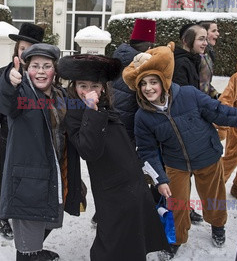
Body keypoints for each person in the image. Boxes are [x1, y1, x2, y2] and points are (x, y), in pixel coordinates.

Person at [122, 43, 237, 259]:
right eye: (143, 84)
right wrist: (160, 179)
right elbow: (147, 151)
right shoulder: (142, 116)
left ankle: (218, 225)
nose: (148, 88)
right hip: (175, 163)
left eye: (153, 82)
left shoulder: (189, 95)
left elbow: (222, 113)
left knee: (213, 197)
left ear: (163, 81)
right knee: (176, 203)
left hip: (207, 156)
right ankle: (176, 238)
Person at [59, 54, 169, 261]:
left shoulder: (106, 106)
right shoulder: (75, 114)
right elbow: (88, 150)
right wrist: (91, 111)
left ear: (103, 88)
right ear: (74, 87)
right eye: (83, 85)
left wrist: (152, 176)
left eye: (95, 85)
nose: (88, 91)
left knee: (135, 234)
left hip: (132, 182)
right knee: (113, 238)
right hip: (111, 188)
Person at [0, 43, 82, 261]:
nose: (40, 71)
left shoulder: (60, 95)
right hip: (27, 181)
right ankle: (30, 254)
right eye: (34, 66)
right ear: (26, 69)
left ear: (55, 70)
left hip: (55, 174)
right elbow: (2, 102)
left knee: (46, 221)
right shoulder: (22, 94)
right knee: (27, 240)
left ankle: (36, 251)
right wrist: (7, 81)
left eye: (46, 66)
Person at [0, 22, 45, 239]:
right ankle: (1, 214)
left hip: (36, 138)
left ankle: (24, 213)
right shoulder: (6, 73)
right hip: (10, 136)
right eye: (22, 48)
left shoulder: (45, 76)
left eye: (31, 49)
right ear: (16, 50)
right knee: (9, 177)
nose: (25, 53)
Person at [112, 18, 156, 144]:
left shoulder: (118, 57)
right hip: (130, 122)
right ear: (148, 46)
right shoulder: (141, 65)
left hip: (114, 120)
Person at [172, 24, 207, 88]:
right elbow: (183, 93)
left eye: (205, 39)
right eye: (201, 39)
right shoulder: (181, 63)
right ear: (185, 41)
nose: (205, 43)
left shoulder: (194, 60)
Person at [197, 21, 220, 99]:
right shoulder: (196, 56)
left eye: (217, 30)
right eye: (213, 31)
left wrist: (216, 94)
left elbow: (205, 84)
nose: (218, 34)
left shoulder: (208, 55)